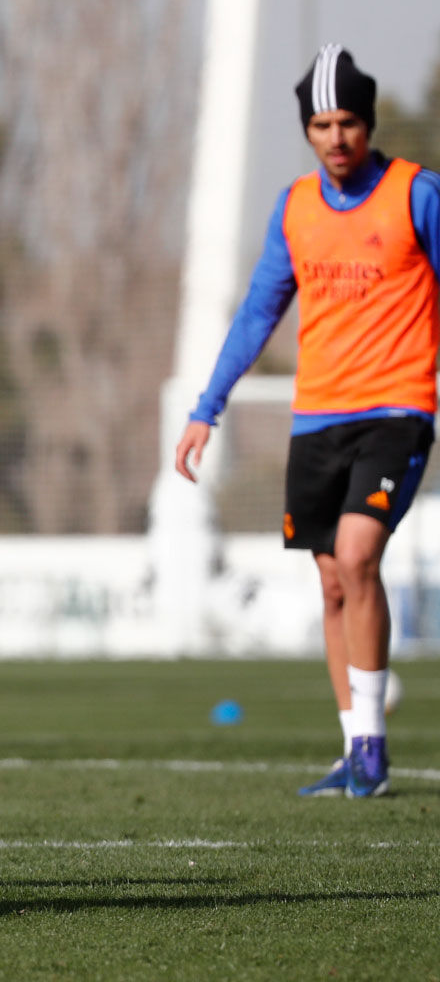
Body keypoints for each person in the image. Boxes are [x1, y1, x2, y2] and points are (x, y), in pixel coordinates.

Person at [175, 44, 440, 800]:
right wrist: (206, 409)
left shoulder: (417, 194)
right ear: (307, 129)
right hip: (317, 417)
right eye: (321, 124)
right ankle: (354, 749)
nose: (335, 138)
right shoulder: (294, 207)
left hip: (397, 409)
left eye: (348, 122)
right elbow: (261, 309)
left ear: (369, 122)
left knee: (358, 555)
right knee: (330, 584)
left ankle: (376, 752)